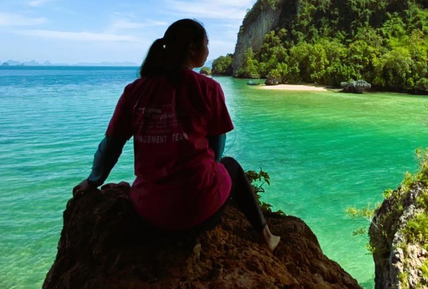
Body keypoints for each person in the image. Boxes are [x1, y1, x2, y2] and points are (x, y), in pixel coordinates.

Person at [73, 19, 280, 252]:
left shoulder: (135, 91)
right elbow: (216, 151)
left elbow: (111, 145)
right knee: (230, 165)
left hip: (149, 215)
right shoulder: (208, 88)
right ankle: (267, 237)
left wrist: (93, 181)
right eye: (206, 44)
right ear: (192, 49)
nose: (208, 50)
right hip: (199, 212)